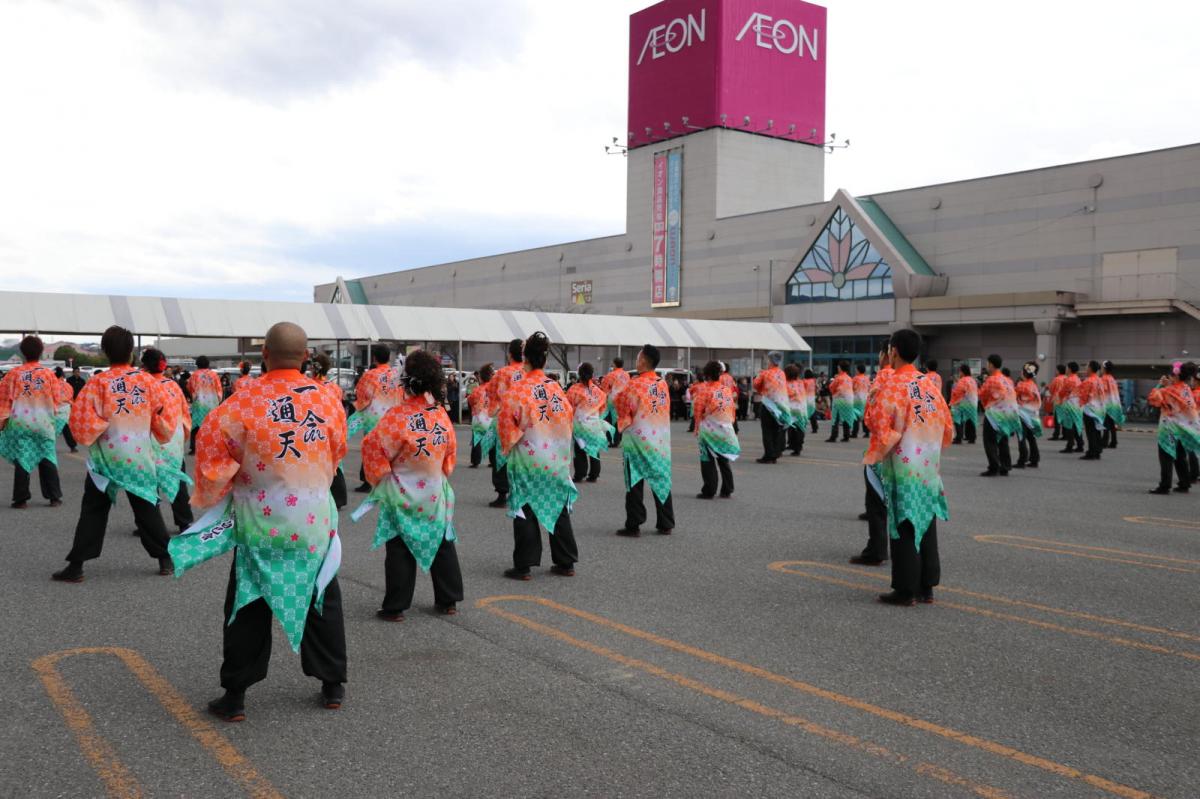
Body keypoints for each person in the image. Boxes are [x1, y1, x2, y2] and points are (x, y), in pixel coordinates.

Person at [169, 322, 348, 721]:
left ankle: (235, 695)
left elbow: (213, 462)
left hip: (260, 521)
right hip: (313, 519)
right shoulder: (329, 400)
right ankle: (332, 682)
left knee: (248, 602)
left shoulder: (241, 403)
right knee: (320, 594)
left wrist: (230, 486)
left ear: (263, 354)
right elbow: (337, 454)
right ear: (305, 357)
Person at [53, 326, 177, 582]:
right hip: (139, 455)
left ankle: (76, 566)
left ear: (105, 351)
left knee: (94, 509)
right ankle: (165, 559)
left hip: (107, 458)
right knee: (146, 505)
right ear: (132, 351)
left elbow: (82, 423)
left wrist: (103, 426)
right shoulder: (147, 382)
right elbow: (163, 419)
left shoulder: (98, 383)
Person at [358, 350, 462, 620]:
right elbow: (450, 453)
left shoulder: (397, 417)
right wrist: (439, 472)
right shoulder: (439, 415)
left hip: (401, 490)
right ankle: (448, 599)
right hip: (433, 489)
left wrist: (382, 478)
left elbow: (373, 447)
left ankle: (396, 605)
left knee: (399, 547)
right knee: (440, 540)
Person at [865, 329, 951, 606]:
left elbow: (878, 423)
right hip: (928, 464)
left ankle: (905, 588)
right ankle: (927, 586)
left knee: (904, 523)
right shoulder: (927, 386)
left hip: (904, 464)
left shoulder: (892, 384)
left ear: (894, 351)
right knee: (925, 520)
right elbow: (947, 427)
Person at [496, 332, 580, 579]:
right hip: (556, 458)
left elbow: (506, 426)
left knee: (526, 507)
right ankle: (566, 561)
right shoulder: (555, 388)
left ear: (525, 358)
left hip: (529, 458)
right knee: (557, 506)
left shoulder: (518, 390)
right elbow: (568, 419)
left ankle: (524, 564)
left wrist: (509, 445)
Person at [0, 336, 72, 508]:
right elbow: (58, 400)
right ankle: (54, 497)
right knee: (47, 456)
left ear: (22, 353)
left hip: (20, 423)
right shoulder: (48, 375)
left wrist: (3, 424)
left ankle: (21, 499)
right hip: (43, 423)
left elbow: (4, 402)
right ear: (41, 352)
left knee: (22, 457)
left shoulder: (13, 375)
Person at [615, 344, 675, 536]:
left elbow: (623, 406)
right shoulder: (662, 384)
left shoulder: (634, 384)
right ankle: (666, 522)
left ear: (642, 361)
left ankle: (634, 523)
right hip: (659, 439)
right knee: (661, 478)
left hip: (638, 439)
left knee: (634, 479)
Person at [141, 348, 194, 532]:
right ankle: (184, 521)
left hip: (149, 439)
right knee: (176, 477)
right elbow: (185, 413)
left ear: (144, 364)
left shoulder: (141, 384)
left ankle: (149, 523)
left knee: (148, 481)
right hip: (173, 440)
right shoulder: (172, 385)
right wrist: (183, 437)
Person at [853, 349, 895, 566]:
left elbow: (871, 417)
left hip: (882, 447)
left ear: (889, 353)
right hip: (909, 451)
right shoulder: (919, 381)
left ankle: (877, 549)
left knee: (876, 500)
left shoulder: (881, 377)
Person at [350, 344, 402, 492]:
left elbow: (362, 394)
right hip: (391, 417)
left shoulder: (370, 375)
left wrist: (360, 406)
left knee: (370, 447)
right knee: (388, 448)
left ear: (374, 357)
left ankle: (368, 481)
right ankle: (388, 479)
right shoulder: (395, 375)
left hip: (373, 416)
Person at [485, 339, 525, 507]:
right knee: (522, 456)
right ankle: (521, 492)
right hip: (525, 420)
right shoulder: (528, 373)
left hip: (505, 420)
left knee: (500, 456)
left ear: (510, 353)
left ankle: (502, 492)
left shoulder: (503, 373)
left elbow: (491, 392)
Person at [693, 360, 739, 498]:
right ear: (720, 374)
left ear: (706, 374)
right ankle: (727, 489)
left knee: (707, 460)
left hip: (708, 429)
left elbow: (698, 411)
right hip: (724, 428)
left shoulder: (704, 390)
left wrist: (696, 427)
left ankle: (709, 490)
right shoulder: (726, 390)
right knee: (723, 460)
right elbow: (731, 409)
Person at [565, 363, 612, 483]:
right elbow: (603, 407)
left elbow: (568, 407)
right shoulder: (598, 392)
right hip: (594, 423)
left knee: (580, 449)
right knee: (594, 448)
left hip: (579, 424)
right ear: (592, 375)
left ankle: (580, 473)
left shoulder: (573, 389)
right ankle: (594, 474)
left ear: (579, 374)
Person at [313, 352, 348, 509]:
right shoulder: (335, 388)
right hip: (333, 425)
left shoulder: (308, 385)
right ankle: (339, 497)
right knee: (336, 463)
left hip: (314, 426)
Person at [978, 355, 1021, 476]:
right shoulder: (1007, 380)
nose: (987, 366)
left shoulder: (991, 380)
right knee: (1003, 440)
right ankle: (1005, 466)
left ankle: (994, 466)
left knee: (990, 441)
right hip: (1007, 414)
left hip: (994, 414)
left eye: (987, 364)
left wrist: (987, 405)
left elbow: (982, 395)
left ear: (991, 365)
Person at [752, 352, 790, 463]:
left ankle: (769, 455)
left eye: (768, 360)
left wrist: (759, 376)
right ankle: (775, 453)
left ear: (771, 361)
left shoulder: (765, 373)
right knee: (777, 429)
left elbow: (755, 385)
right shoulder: (782, 373)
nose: (766, 362)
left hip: (769, 405)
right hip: (781, 405)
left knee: (767, 431)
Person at [187, 356, 222, 455]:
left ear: (197, 364)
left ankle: (194, 448)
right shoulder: (214, 375)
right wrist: (217, 400)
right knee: (211, 425)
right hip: (212, 404)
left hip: (199, 403)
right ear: (208, 363)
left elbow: (189, 387)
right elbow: (219, 390)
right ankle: (212, 446)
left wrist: (194, 396)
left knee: (196, 425)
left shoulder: (194, 375)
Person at [1076, 360, 1107, 460]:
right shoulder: (1100, 380)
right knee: (1097, 431)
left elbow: (1083, 396)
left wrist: (1080, 404)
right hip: (1100, 409)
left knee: (1090, 432)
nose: (1085, 368)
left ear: (1090, 368)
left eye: (1087, 366)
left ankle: (1092, 452)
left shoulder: (1088, 381)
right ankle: (1097, 451)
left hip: (1090, 409)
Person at [1014, 362, 1042, 469]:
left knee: (1021, 437)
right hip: (1032, 416)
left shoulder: (1021, 385)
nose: (1021, 372)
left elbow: (1013, 396)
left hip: (1022, 415)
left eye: (1022, 370)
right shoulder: (1033, 385)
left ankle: (1022, 460)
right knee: (1031, 438)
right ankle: (1035, 459)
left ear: (1025, 372)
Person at [467, 364, 495, 468]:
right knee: (492, 439)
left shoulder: (478, 390)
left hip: (479, 417)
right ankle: (493, 461)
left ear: (481, 378)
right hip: (491, 417)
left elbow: (471, 400)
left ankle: (476, 461)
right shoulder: (494, 389)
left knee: (477, 440)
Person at [600, 357, 630, 447]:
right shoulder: (627, 375)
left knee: (610, 420)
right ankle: (618, 439)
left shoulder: (611, 375)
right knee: (619, 420)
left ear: (614, 364)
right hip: (623, 401)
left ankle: (612, 439)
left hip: (612, 402)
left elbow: (604, 387)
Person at [1057, 362, 1084, 454]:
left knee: (1069, 426)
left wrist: (1060, 399)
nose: (1066, 369)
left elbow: (1062, 392)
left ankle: (1070, 445)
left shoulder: (1068, 380)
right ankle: (1080, 444)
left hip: (1069, 405)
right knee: (1077, 425)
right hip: (1078, 405)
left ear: (1070, 369)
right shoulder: (1078, 379)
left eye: (1067, 367)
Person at [826, 361, 856, 442]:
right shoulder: (850, 378)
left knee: (835, 417)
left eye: (838, 367)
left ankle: (834, 436)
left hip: (839, 400)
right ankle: (846, 436)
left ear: (840, 368)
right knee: (846, 417)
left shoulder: (838, 378)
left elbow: (831, 387)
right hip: (849, 400)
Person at [949, 364, 979, 444]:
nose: (959, 373)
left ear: (962, 372)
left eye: (960, 371)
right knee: (971, 419)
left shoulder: (962, 380)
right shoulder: (973, 380)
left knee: (957, 418)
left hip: (964, 403)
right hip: (973, 402)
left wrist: (952, 402)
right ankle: (972, 437)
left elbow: (958, 392)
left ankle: (959, 437)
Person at [1100, 361, 1124, 449]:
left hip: (1107, 404)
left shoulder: (1104, 378)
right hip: (1114, 404)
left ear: (1105, 369)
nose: (1101, 369)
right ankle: (1114, 441)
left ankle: (1104, 442)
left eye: (1102, 368)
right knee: (1111, 424)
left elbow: (1103, 391)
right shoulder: (1112, 379)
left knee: (1106, 424)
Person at [784, 364, 807, 456]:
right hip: (801, 408)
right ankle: (798, 447)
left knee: (786, 428)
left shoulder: (786, 384)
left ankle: (784, 445)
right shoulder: (801, 383)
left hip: (790, 408)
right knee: (799, 428)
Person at [1045, 365, 1068, 441]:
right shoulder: (1067, 378)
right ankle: (1065, 434)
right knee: (1065, 418)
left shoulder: (1056, 379)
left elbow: (1051, 389)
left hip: (1058, 400)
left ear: (1058, 371)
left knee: (1057, 418)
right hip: (1066, 401)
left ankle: (1056, 434)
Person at [850, 364, 870, 438]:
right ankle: (866, 432)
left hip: (857, 399)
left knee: (856, 416)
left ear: (858, 370)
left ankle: (855, 432)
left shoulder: (855, 378)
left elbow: (851, 388)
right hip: (865, 398)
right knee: (865, 416)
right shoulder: (867, 378)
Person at [803, 369, 819, 433]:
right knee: (812, 413)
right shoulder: (813, 381)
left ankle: (802, 426)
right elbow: (817, 388)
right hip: (812, 398)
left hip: (805, 398)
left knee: (804, 413)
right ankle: (815, 428)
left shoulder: (804, 381)